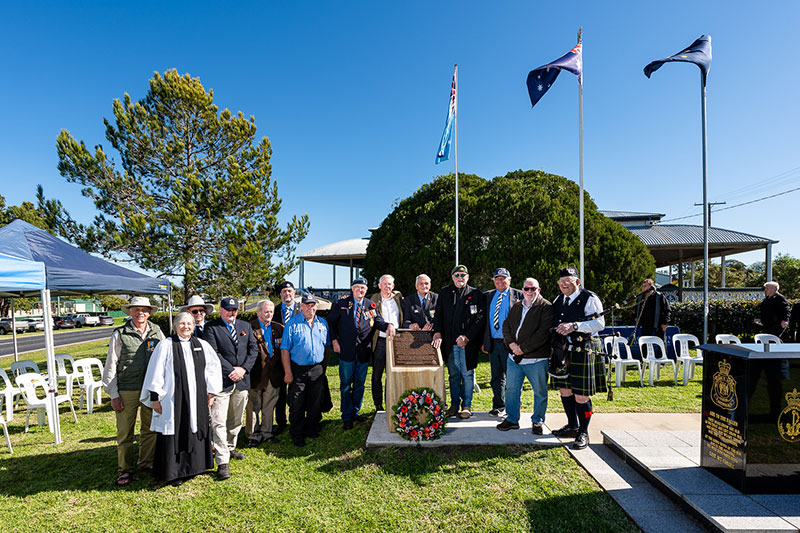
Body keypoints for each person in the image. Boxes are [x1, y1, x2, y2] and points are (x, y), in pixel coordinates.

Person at [140, 312, 223, 486]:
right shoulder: (166, 345)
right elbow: (156, 371)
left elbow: (212, 368)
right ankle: (174, 472)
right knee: (174, 427)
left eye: (189, 324)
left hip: (197, 398)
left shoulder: (201, 345)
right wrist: (155, 398)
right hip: (172, 399)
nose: (186, 327)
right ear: (175, 326)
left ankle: (196, 466)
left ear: (194, 326)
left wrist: (211, 392)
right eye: (182, 323)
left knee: (196, 425)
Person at [102, 296, 165, 486]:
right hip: (127, 389)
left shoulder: (157, 331)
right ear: (130, 311)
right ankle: (125, 469)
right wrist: (113, 394)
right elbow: (111, 364)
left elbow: (165, 359)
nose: (140, 313)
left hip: (150, 389)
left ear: (149, 313)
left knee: (150, 429)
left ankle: (146, 462)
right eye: (136, 309)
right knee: (125, 433)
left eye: (144, 310)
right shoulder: (120, 333)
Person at [550, 266, 606, 450]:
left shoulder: (589, 298)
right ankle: (572, 425)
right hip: (563, 350)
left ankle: (583, 432)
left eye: (568, 281)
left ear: (577, 282)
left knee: (581, 395)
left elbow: (600, 324)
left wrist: (575, 326)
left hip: (584, 349)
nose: (564, 284)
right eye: (561, 282)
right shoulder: (558, 299)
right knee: (565, 390)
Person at [203, 296, 258, 480]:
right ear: (221, 310)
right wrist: (231, 371)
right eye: (228, 309)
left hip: (241, 381)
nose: (231, 313)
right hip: (221, 382)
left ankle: (230, 447)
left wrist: (243, 369)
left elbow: (253, 350)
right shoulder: (211, 328)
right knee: (218, 421)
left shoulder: (245, 326)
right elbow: (213, 353)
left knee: (236, 419)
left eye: (234, 310)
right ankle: (222, 461)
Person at [328, 277, 394, 429]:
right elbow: (330, 322)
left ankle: (355, 412)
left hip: (363, 351)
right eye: (357, 287)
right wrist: (334, 341)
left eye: (363, 287)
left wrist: (388, 325)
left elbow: (378, 322)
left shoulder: (370, 305)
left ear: (366, 290)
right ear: (352, 289)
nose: (360, 290)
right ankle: (346, 417)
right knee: (346, 385)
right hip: (346, 351)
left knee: (359, 384)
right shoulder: (342, 304)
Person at [497, 278, 553, 435]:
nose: (529, 291)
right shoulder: (517, 306)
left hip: (536, 359)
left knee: (540, 392)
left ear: (538, 290)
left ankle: (537, 421)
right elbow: (506, 326)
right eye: (526, 288)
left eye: (533, 288)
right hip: (514, 358)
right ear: (522, 290)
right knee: (511, 390)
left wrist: (522, 348)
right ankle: (512, 419)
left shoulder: (546, 307)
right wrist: (511, 345)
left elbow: (543, 334)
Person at [432, 265, 485, 419]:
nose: (460, 278)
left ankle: (466, 406)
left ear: (467, 277)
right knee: (453, 375)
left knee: (467, 375)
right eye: (457, 275)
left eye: (463, 275)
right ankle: (455, 404)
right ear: (452, 277)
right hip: (450, 343)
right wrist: (437, 332)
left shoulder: (476, 294)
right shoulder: (444, 293)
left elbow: (480, 318)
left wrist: (467, 337)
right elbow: (438, 314)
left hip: (468, 344)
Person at [281, 293, 331, 447]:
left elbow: (327, 347)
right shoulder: (292, 324)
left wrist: (323, 368)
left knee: (315, 401)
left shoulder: (323, 323)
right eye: (307, 305)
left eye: (313, 305)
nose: (310, 308)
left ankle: (312, 429)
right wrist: (288, 372)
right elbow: (285, 349)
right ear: (301, 307)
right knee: (297, 401)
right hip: (298, 369)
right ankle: (297, 433)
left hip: (317, 368)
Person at [482, 267, 523, 417]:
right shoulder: (487, 296)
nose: (500, 281)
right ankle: (498, 405)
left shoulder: (519, 295)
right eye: (497, 278)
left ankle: (512, 408)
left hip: (511, 344)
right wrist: (484, 341)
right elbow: (483, 321)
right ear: (493, 281)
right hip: (494, 343)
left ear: (509, 280)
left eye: (503, 278)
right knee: (496, 377)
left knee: (513, 378)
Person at [245, 299, 284, 447]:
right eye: (266, 311)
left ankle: (267, 432)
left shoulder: (279, 328)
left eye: (271, 312)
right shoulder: (249, 328)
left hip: (274, 374)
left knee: (269, 405)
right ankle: (253, 435)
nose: (269, 314)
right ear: (258, 312)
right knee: (253, 406)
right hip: (255, 374)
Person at [370, 274, 403, 411]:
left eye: (389, 284)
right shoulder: (373, 299)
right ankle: (378, 404)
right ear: (379, 285)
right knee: (377, 374)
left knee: (393, 374)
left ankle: (391, 401)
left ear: (393, 286)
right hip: (381, 341)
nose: (387, 286)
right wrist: (387, 326)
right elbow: (375, 319)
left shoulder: (398, 297)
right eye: (384, 284)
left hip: (397, 341)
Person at [273, 281, 301, 435]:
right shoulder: (274, 310)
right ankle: (281, 422)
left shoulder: (302, 309)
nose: (287, 294)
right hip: (278, 358)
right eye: (284, 291)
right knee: (280, 392)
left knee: (296, 391)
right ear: (280, 294)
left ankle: (295, 419)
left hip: (297, 357)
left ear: (294, 293)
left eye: (289, 291)